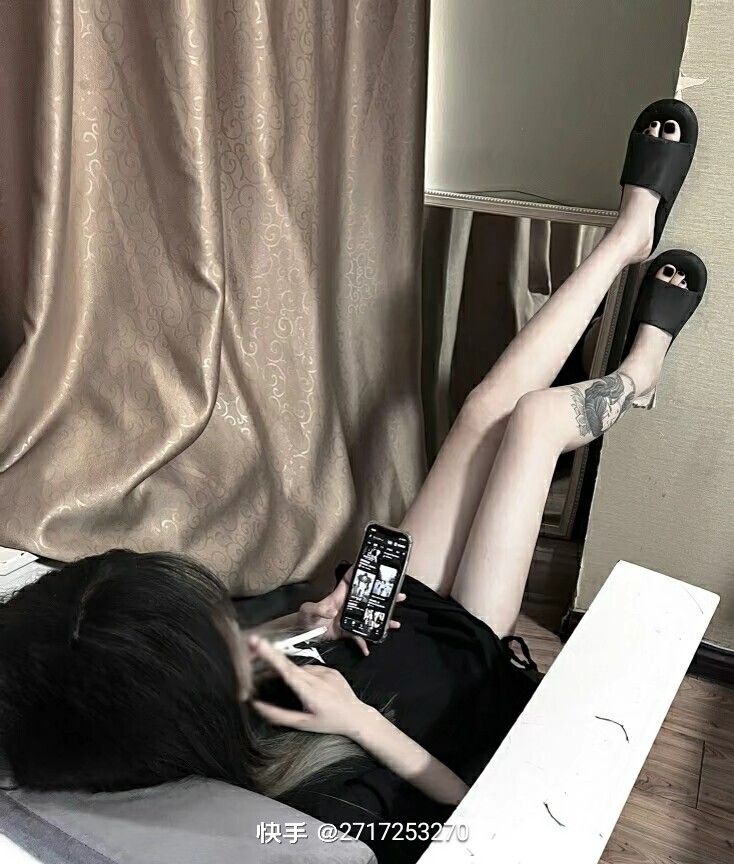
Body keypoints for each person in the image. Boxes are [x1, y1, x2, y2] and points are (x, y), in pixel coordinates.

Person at [0, 104, 705, 864]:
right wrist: (360, 722)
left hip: (380, 624)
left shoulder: (167, 692)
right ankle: (639, 372)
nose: (232, 634)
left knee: (481, 412)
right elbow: (473, 820)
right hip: (456, 663)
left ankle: (626, 239)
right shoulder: (305, 811)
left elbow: (244, 650)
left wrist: (309, 623)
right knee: (535, 424)